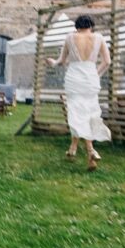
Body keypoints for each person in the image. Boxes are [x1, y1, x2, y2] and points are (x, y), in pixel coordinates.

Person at [46, 15, 111, 171]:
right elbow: (107, 62)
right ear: (91, 25)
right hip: (90, 79)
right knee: (88, 113)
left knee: (76, 113)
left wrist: (52, 62)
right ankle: (78, 149)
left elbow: (61, 61)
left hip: (74, 79)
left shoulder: (70, 37)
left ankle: (88, 150)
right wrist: (95, 74)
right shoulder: (99, 38)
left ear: (77, 26)